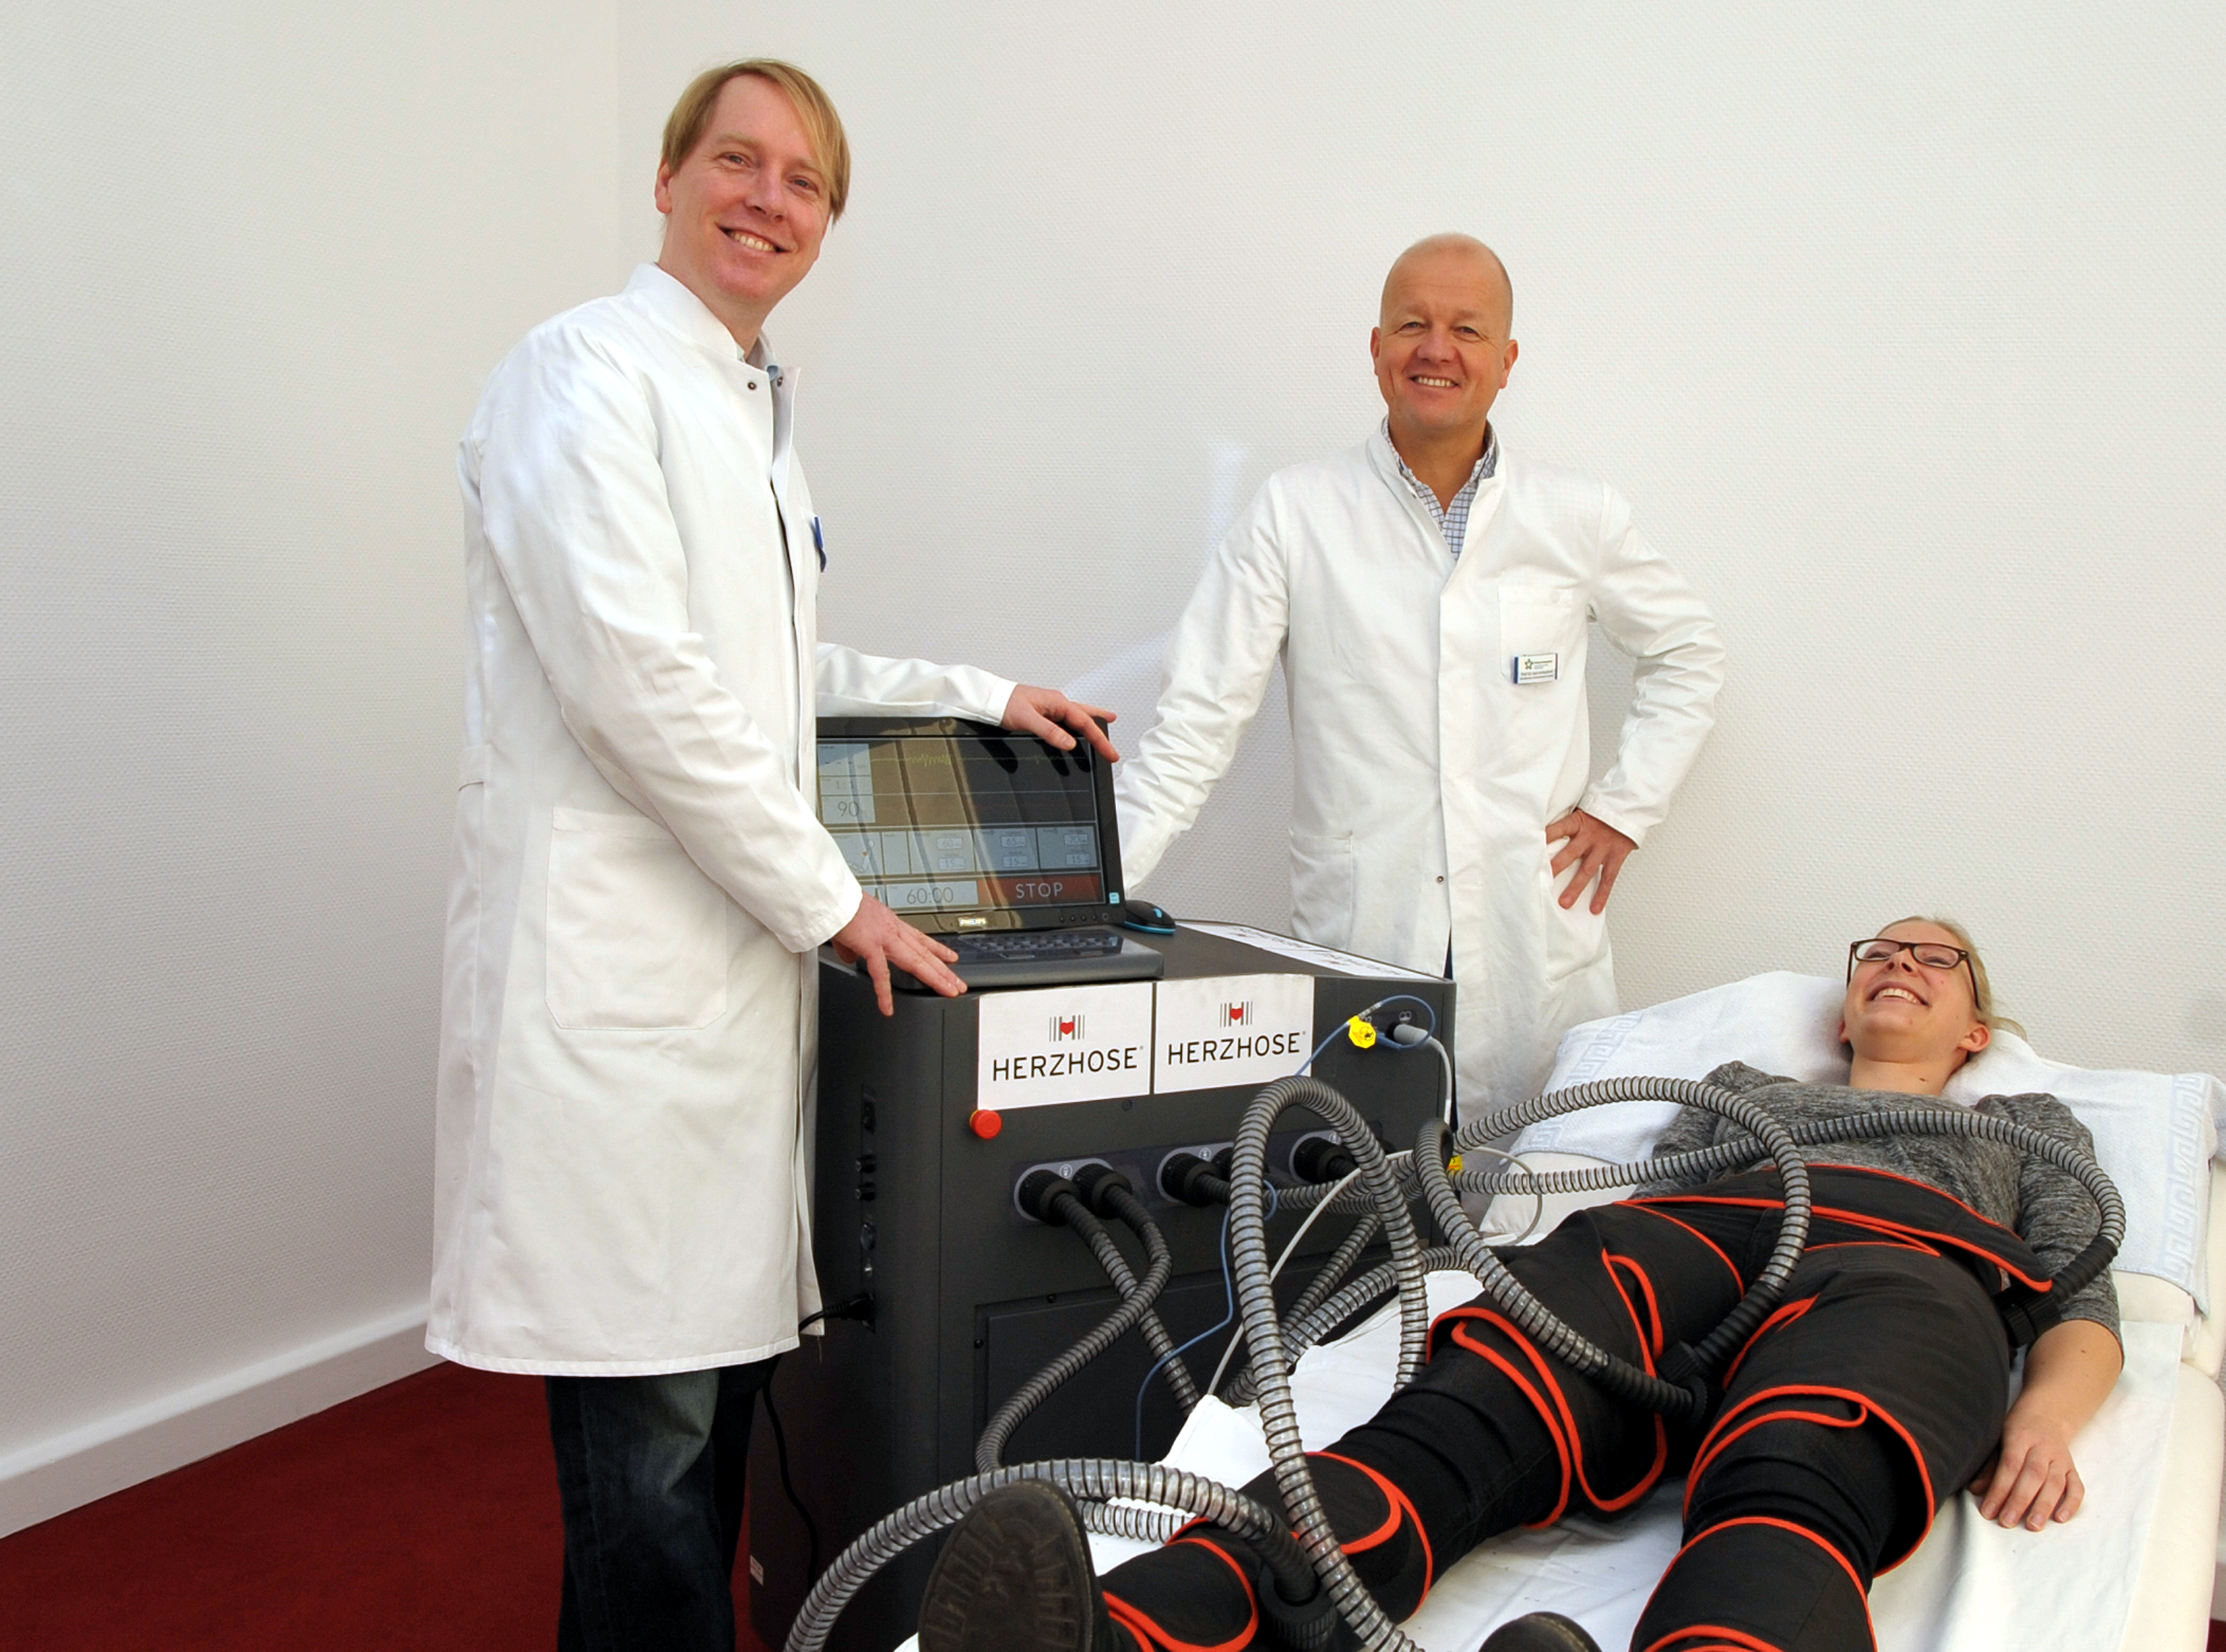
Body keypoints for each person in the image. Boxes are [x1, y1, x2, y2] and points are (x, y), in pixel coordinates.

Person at [426, 60, 1118, 1652]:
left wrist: (981, 697)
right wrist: (835, 899)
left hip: (719, 1012)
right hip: (617, 1009)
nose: (767, 199)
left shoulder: (752, 417)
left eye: (804, 181)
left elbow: (774, 671)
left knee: (700, 1451)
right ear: (669, 178)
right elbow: (635, 684)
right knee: (649, 1475)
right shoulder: (581, 374)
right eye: (738, 161)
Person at [917, 917, 2125, 1652]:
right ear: (1846, 1004)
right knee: (1460, 1417)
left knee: (1800, 1475)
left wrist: (2045, 1414)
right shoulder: (1742, 1089)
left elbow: (2081, 1299)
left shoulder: (2028, 1125)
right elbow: (1649, 1192)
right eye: (1877, 951)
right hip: (1698, 1244)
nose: (1897, 963)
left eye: (1932, 956)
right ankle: (1134, 1630)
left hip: (1901, 1273)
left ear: (1975, 1028)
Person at [1112, 234, 1725, 1117]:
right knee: (1360, 1176)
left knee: (1541, 1179)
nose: (1437, 349)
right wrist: (1089, 894)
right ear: (1376, 349)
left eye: (1467, 329)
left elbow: (1688, 650)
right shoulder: (1297, 511)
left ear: (1507, 360)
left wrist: (1625, 809)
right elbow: (1197, 724)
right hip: (1366, 929)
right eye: (1413, 325)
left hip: (1531, 941)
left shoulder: (1576, 516)